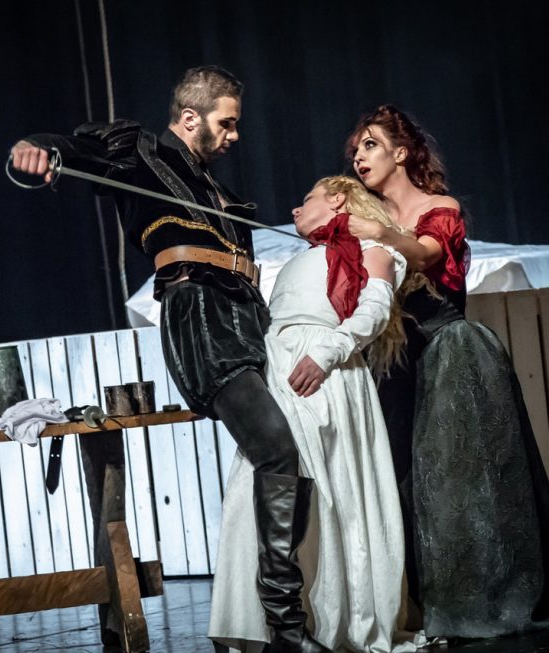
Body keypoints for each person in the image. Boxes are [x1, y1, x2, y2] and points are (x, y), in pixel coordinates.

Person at [9, 66, 328, 652]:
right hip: (200, 316)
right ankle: (285, 627)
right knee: (277, 450)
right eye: (226, 123)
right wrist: (36, 149)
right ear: (189, 117)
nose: (234, 136)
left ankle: (273, 624)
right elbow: (75, 148)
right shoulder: (142, 153)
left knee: (281, 453)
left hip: (245, 318)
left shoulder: (215, 188)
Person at [346, 105, 549, 639]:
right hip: (395, 361)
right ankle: (424, 604)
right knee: (401, 479)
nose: (358, 156)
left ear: (401, 152)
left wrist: (379, 232)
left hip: (448, 354)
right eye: (355, 149)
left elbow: (425, 254)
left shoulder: (439, 207)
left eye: (369, 145)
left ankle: (486, 597)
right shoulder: (365, 214)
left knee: (465, 483)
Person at [210, 176, 414, 652]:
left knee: (333, 489)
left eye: (307, 199)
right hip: (275, 367)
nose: (295, 209)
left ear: (338, 198)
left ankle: (332, 620)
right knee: (258, 486)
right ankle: (254, 624)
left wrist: (326, 353)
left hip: (325, 368)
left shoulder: (373, 251)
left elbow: (373, 310)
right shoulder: (297, 260)